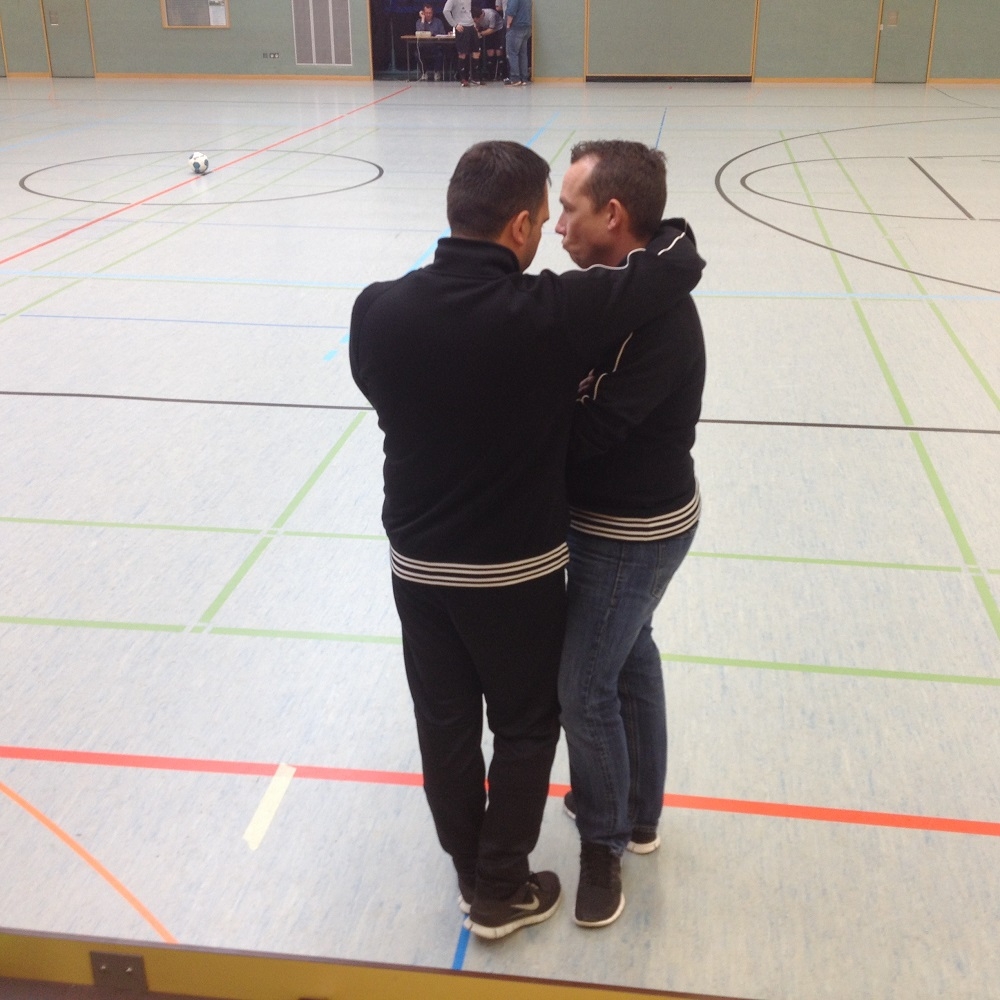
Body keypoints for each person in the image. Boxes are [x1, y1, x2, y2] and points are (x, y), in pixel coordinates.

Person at [349, 140, 704, 940]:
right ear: (518, 226)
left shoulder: (376, 309)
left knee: (444, 723)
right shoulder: (546, 315)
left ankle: (473, 872)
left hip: (418, 569)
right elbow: (666, 272)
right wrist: (677, 235)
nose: (553, 230)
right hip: (514, 574)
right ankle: (503, 883)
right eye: (547, 217)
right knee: (526, 724)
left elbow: (382, 393)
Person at [553, 140, 706, 928]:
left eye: (569, 210)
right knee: (629, 654)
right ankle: (639, 812)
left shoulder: (659, 325)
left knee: (583, 689)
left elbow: (588, 434)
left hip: (632, 534)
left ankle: (604, 843)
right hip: (625, 522)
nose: (557, 227)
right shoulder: (622, 293)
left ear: (613, 216)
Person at [443, 0, 478, 85]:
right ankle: (463, 78)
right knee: (463, 53)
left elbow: (468, 11)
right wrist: (455, 24)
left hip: (471, 26)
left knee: (476, 51)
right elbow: (446, 11)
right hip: (462, 27)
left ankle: (474, 77)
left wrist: (473, 23)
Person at [471, 4, 504, 82]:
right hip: (486, 29)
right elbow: (476, 26)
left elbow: (492, 29)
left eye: (476, 20)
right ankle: (490, 74)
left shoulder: (491, 15)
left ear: (480, 17)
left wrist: (480, 34)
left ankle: (501, 73)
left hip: (498, 29)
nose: (476, 21)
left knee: (498, 51)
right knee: (490, 51)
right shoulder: (475, 16)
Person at [414, 4, 446, 81]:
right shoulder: (419, 22)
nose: (428, 15)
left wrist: (433, 34)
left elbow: (443, 33)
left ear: (432, 13)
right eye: (426, 13)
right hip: (423, 46)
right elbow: (420, 32)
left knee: (440, 53)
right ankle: (424, 72)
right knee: (417, 54)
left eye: (430, 13)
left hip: (435, 46)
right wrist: (422, 19)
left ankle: (437, 72)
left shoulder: (438, 22)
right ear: (423, 13)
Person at [504, 0, 531, 85]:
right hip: (526, 27)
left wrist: (508, 25)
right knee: (523, 54)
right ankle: (524, 78)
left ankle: (515, 78)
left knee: (512, 53)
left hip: (516, 27)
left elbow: (511, 11)